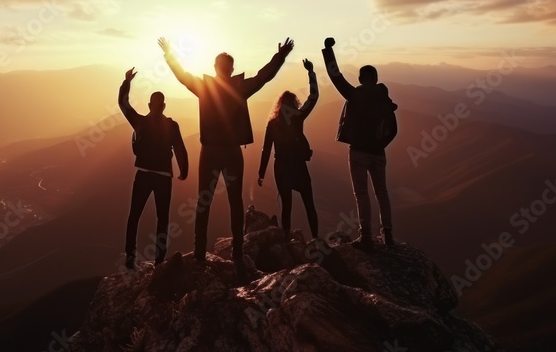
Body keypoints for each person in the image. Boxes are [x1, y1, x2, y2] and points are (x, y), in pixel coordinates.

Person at [159, 36, 294, 267]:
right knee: (235, 201)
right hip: (232, 152)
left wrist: (170, 55)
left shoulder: (205, 87)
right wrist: (280, 57)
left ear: (215, 68)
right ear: (232, 69)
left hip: (209, 152)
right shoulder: (240, 87)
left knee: (204, 201)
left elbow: (182, 77)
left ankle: (200, 253)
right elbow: (264, 76)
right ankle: (238, 253)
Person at [320, 37, 398, 250]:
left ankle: (366, 236)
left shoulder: (355, 95)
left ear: (362, 78)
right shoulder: (385, 100)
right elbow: (393, 129)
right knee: (382, 192)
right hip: (379, 152)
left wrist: (328, 52)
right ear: (375, 78)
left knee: (362, 193)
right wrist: (381, 144)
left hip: (358, 152)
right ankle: (388, 234)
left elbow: (336, 77)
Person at [118, 68, 189, 270]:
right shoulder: (172, 126)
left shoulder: (140, 122)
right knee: (163, 218)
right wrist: (184, 170)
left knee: (134, 215)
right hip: (163, 177)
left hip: (143, 174)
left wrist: (127, 82)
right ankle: (159, 259)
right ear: (164, 105)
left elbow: (123, 104)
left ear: (150, 105)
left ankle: (130, 257)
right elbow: (180, 148)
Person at [257, 59, 320, 239]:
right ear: (294, 104)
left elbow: (266, 150)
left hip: (281, 167)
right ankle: (315, 238)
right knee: (309, 203)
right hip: (298, 166)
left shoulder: (272, 124)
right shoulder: (297, 117)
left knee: (286, 205)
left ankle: (286, 239)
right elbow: (313, 97)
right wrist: (311, 73)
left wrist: (261, 173)